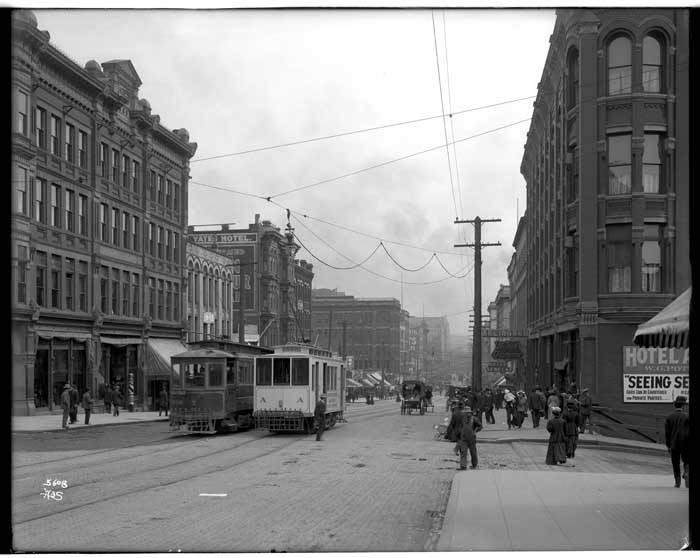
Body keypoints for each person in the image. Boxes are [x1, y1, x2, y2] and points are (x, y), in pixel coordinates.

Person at [665, 395, 690, 488]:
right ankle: (687, 473)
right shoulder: (687, 416)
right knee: (687, 461)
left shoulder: (669, 417)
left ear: (675, 405)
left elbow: (667, 433)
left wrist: (668, 445)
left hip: (674, 443)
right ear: (683, 406)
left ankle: (677, 482)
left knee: (675, 463)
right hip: (686, 444)